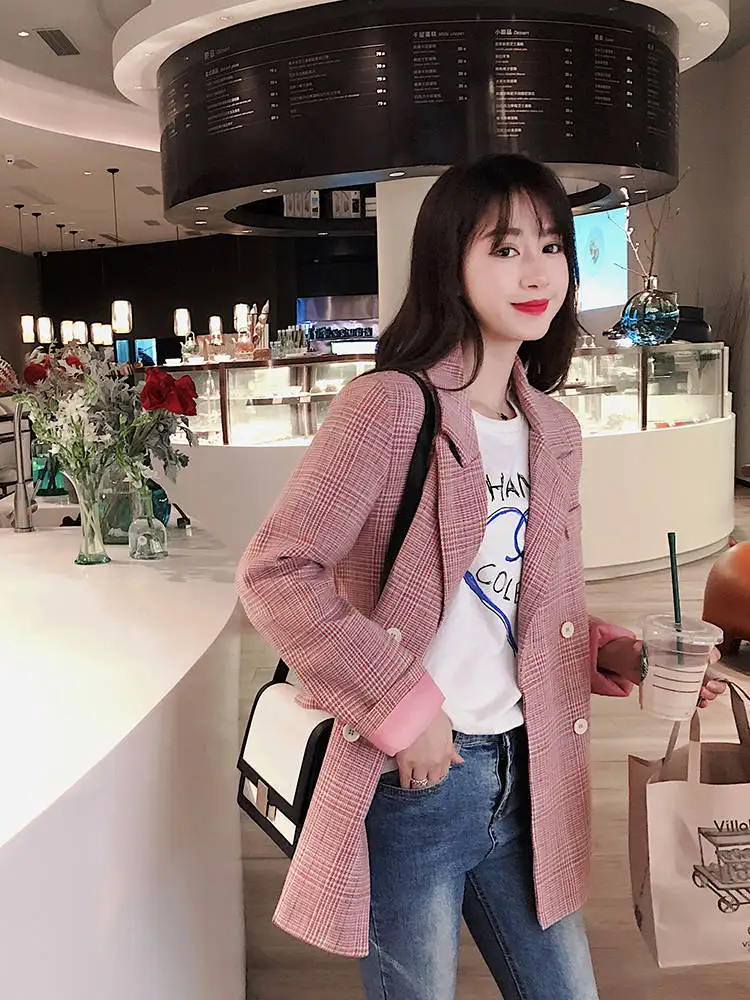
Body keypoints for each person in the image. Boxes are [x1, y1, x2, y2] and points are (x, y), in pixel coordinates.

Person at [236, 154, 726, 1000]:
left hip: (530, 772)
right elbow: (276, 572)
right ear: (448, 263)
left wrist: (613, 653)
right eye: (504, 249)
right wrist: (405, 709)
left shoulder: (554, 429)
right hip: (418, 780)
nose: (537, 272)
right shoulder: (392, 406)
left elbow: (514, 602)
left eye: (551, 246)